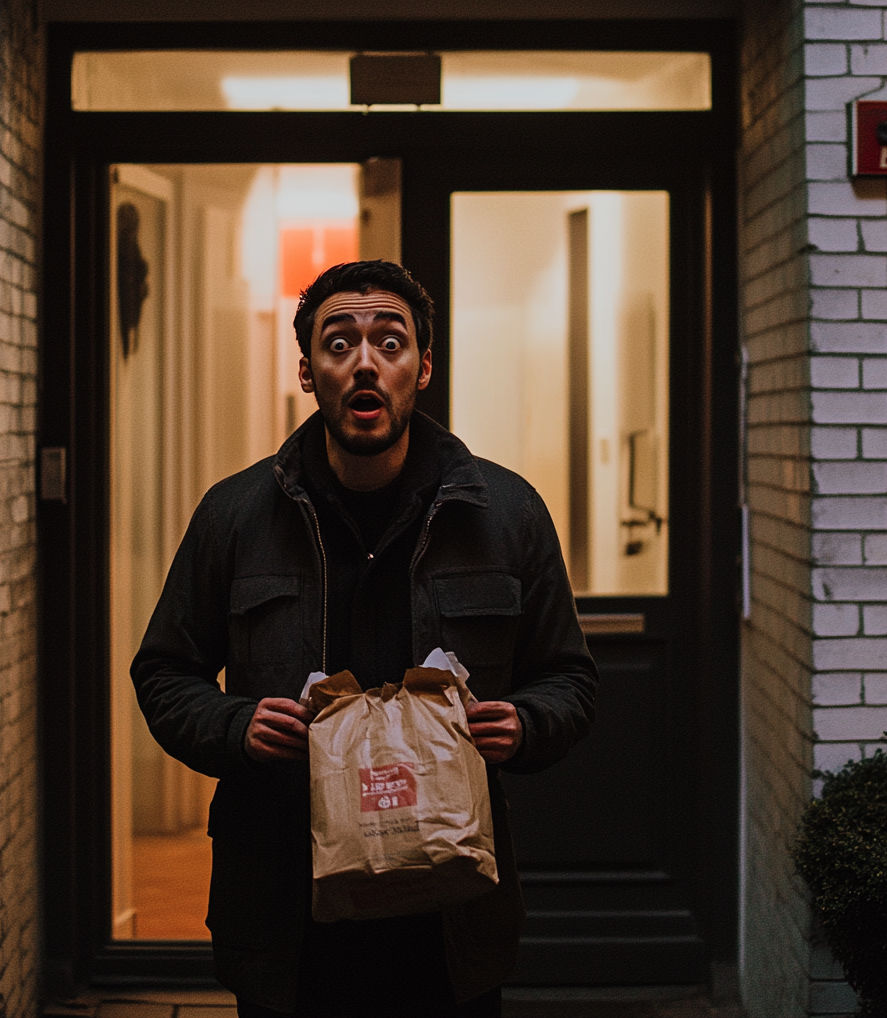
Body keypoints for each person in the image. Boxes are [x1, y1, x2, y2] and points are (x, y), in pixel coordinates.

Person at [131, 260, 597, 1017]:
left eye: (390, 340)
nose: (365, 362)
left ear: (424, 367)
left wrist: (528, 721)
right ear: (310, 372)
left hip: (447, 914)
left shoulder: (507, 512)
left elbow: (570, 679)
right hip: (290, 909)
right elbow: (164, 671)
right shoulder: (236, 516)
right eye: (339, 343)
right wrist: (235, 724)